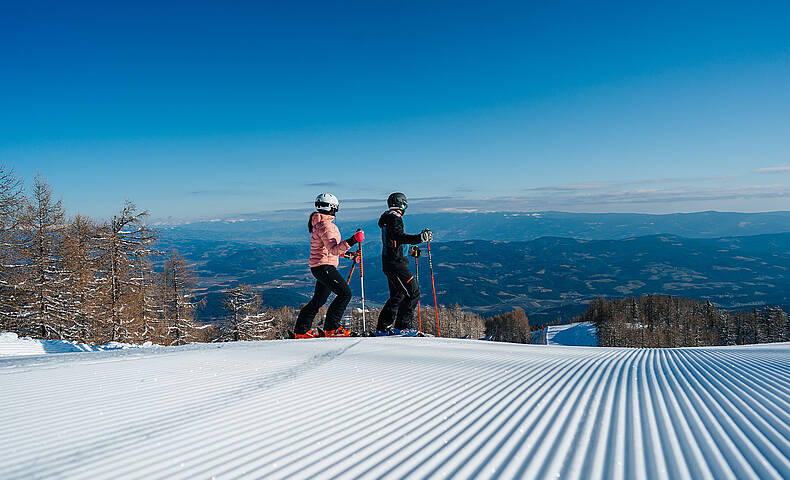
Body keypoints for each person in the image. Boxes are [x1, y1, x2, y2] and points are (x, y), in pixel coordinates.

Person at [293, 193, 365, 339]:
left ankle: (301, 331)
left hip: (319, 267)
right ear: (333, 207)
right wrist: (353, 240)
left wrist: (350, 255)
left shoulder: (318, 224)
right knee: (345, 293)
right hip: (324, 267)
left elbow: (329, 249)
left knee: (319, 300)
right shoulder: (327, 226)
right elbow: (333, 249)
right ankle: (332, 328)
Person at [376, 192, 432, 336]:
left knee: (398, 295)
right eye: (405, 202)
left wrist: (409, 250)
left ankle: (383, 328)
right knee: (413, 292)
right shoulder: (394, 218)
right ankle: (402, 327)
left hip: (390, 261)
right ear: (401, 203)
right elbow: (397, 237)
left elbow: (394, 241)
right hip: (396, 264)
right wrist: (419, 238)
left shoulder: (388, 218)